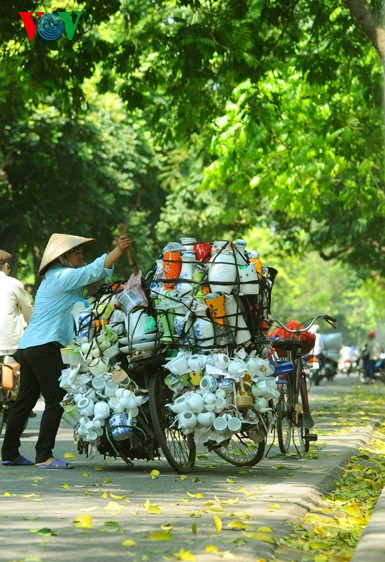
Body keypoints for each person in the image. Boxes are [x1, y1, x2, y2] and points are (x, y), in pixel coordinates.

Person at [1, 232, 130, 468]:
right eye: (76, 252)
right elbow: (92, 272)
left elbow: (95, 275)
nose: (81, 255)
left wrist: (112, 260)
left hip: (29, 346)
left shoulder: (57, 277)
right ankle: (44, 456)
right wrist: (118, 251)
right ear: (63, 257)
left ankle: (9, 452)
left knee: (25, 400)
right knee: (57, 398)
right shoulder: (62, 276)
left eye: (81, 252)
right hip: (45, 345)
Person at [0, 249, 33, 360]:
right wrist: (32, 327)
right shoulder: (13, 283)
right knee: (9, 374)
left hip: (8, 343)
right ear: (5, 266)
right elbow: (27, 309)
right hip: (9, 343)